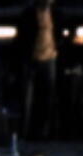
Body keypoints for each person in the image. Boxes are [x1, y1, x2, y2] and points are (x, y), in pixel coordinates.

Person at [18, 0, 59, 138]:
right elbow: (21, 37)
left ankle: (43, 132)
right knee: (26, 99)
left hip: (49, 58)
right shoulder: (28, 14)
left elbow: (60, 32)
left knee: (47, 98)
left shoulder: (56, 13)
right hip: (30, 59)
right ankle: (24, 132)